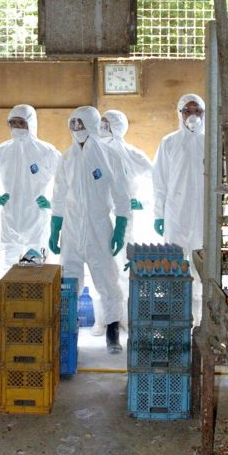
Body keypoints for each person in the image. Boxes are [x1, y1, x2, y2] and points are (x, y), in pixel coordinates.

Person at [49, 106, 131, 353]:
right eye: (73, 125)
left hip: (99, 228)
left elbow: (121, 194)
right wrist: (55, 227)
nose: (76, 129)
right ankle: (67, 334)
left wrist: (120, 227)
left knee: (107, 279)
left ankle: (112, 334)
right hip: (72, 230)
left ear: (92, 125)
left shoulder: (110, 155)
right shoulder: (67, 157)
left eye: (81, 124)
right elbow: (59, 194)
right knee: (68, 282)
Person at [0, 105, 61, 274]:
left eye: (21, 123)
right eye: (12, 123)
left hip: (35, 217)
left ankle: (37, 300)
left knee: (36, 267)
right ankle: (10, 300)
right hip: (10, 217)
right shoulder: (2, 151)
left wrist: (52, 202)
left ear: (31, 123)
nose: (17, 127)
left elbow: (65, 179)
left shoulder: (46, 151)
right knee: (9, 267)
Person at [152, 94, 205, 325]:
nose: (192, 115)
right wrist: (159, 214)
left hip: (203, 215)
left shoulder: (211, 142)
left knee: (201, 267)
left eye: (197, 111)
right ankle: (176, 317)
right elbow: (159, 180)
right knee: (175, 265)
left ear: (203, 114)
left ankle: (201, 318)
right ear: (180, 113)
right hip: (176, 213)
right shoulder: (169, 142)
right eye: (187, 111)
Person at [98, 109, 152, 335]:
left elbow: (155, 179)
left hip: (125, 216)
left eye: (106, 124)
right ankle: (103, 319)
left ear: (118, 126)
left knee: (124, 264)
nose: (102, 128)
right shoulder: (94, 152)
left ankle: (125, 317)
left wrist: (143, 201)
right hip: (99, 214)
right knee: (99, 265)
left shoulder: (132, 154)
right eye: (101, 124)